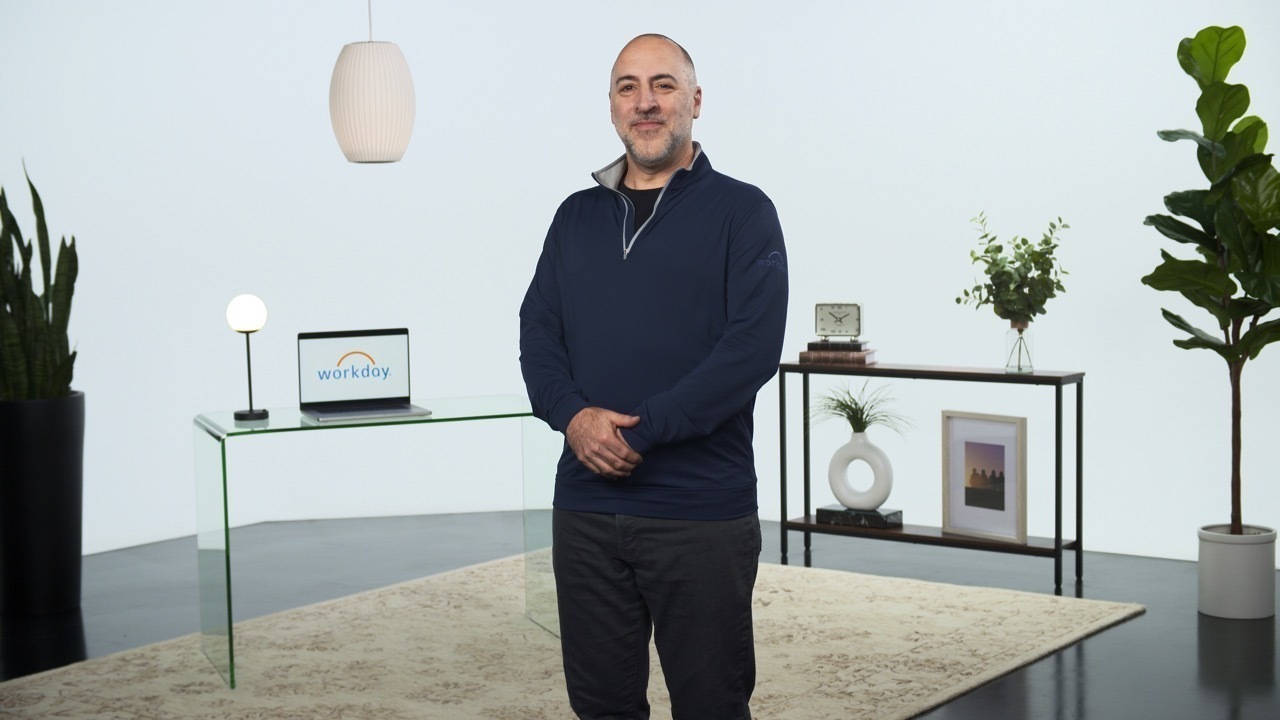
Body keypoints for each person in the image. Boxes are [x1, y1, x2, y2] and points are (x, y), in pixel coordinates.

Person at [519, 33, 788, 720]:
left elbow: (750, 351)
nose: (645, 102)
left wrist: (642, 433)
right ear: (612, 105)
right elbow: (538, 333)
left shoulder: (744, 213)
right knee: (600, 705)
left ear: (695, 101)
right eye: (628, 87)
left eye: (663, 85)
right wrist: (574, 418)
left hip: (700, 512)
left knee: (710, 704)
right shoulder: (574, 217)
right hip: (584, 507)